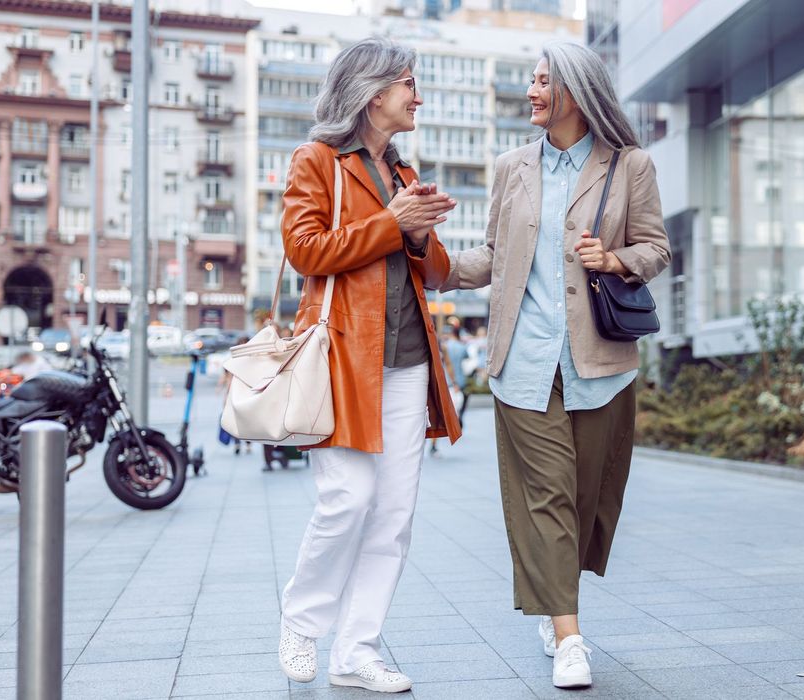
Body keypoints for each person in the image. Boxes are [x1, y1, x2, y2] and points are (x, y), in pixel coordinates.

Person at [441, 42, 670, 689]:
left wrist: (617, 260)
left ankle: (554, 602)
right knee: (549, 497)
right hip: (524, 361)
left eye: (542, 82)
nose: (532, 92)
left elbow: (655, 246)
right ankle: (570, 637)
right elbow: (490, 254)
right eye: (533, 81)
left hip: (600, 363)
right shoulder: (512, 166)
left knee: (588, 499)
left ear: (574, 91)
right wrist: (432, 260)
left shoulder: (629, 166)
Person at [275, 37, 461, 694]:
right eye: (409, 82)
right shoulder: (316, 161)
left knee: (393, 513)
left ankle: (357, 649)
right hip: (341, 361)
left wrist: (416, 231)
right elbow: (305, 250)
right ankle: (302, 619)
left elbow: (432, 271)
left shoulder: (406, 175)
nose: (418, 95)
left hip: (408, 362)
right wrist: (391, 222)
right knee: (347, 500)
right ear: (371, 90)